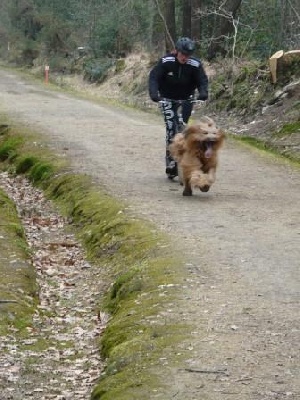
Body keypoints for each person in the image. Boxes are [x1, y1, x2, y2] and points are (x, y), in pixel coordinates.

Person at [149, 37, 209, 179]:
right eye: (182, 54)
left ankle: (184, 160)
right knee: (171, 127)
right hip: (167, 98)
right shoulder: (166, 61)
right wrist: (154, 94)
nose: (184, 58)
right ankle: (170, 162)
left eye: (188, 55)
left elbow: (202, 80)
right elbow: (154, 77)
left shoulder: (195, 64)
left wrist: (203, 92)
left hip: (186, 98)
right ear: (176, 51)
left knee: (182, 127)